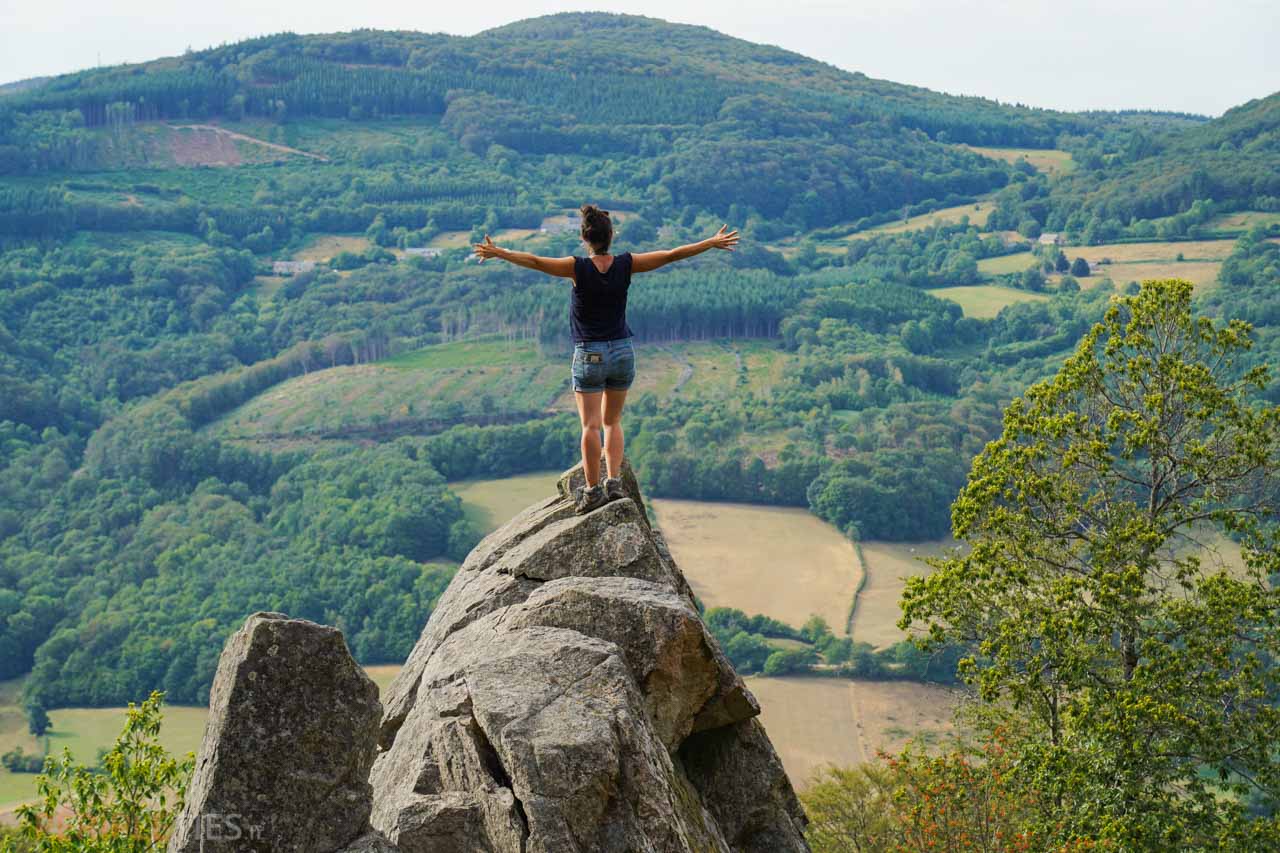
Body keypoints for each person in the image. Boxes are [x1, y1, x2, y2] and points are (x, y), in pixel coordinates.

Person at [473, 205, 739, 513]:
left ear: (584, 238)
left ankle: (593, 491)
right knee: (612, 421)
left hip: (590, 353)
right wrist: (710, 242)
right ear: (611, 235)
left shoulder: (577, 268)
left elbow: (534, 261)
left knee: (590, 426)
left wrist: (499, 252)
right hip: (623, 350)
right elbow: (670, 255)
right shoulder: (626, 264)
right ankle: (614, 481)